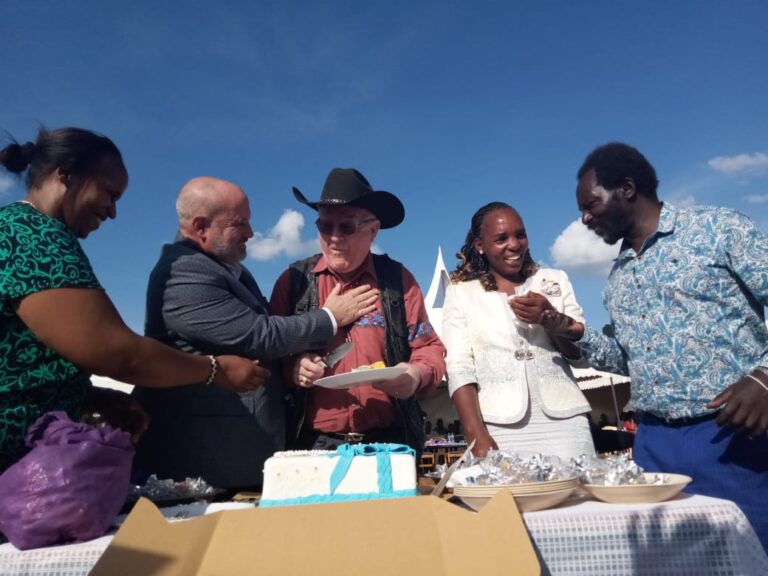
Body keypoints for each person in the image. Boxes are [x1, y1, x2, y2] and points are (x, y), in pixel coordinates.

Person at [0, 127, 267, 473]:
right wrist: (216, 369)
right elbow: (116, 352)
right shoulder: (33, 238)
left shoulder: (32, 233)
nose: (112, 212)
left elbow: (27, 359)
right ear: (66, 175)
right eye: (109, 193)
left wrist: (90, 397)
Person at [574, 141, 768, 549]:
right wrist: (571, 334)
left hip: (733, 436)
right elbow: (628, 361)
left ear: (627, 188)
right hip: (654, 446)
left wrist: (765, 378)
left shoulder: (719, 229)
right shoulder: (619, 276)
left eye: (591, 204)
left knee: (753, 553)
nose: (585, 218)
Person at [134, 177, 378, 490]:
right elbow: (258, 335)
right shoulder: (183, 273)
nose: (251, 233)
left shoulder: (230, 268)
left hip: (233, 456)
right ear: (201, 227)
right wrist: (330, 317)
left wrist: (297, 361)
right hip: (205, 463)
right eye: (240, 224)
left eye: (347, 227)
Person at [270, 168, 446, 451]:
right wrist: (294, 368)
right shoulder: (294, 281)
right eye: (325, 226)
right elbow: (267, 352)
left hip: (389, 439)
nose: (334, 237)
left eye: (346, 227)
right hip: (313, 442)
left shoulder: (398, 281)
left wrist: (414, 375)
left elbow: (430, 349)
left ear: (373, 230)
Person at [443, 202, 595, 461]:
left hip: (567, 421)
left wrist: (551, 320)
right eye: (501, 238)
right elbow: (458, 367)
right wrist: (475, 434)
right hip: (498, 426)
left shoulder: (554, 279)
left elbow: (578, 357)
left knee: (576, 497)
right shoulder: (461, 293)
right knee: (507, 501)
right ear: (480, 245)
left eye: (520, 235)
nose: (514, 245)